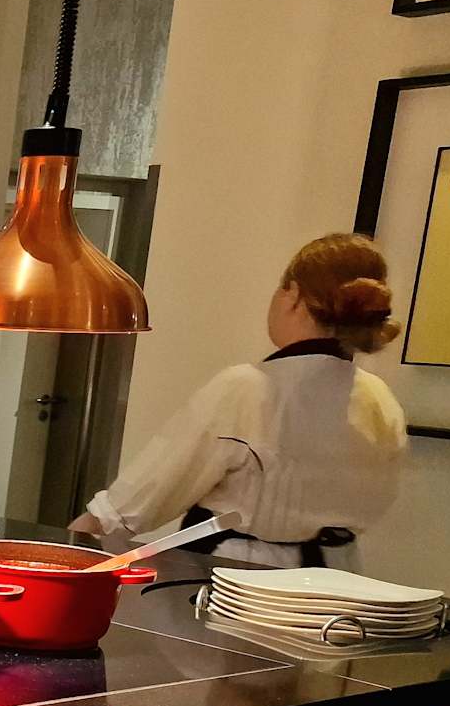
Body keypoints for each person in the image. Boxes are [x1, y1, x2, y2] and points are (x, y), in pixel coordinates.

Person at [71, 233, 409, 567]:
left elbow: (143, 496)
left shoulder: (247, 388)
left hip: (240, 575)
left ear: (293, 295)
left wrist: (80, 539)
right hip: (337, 578)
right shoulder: (379, 399)